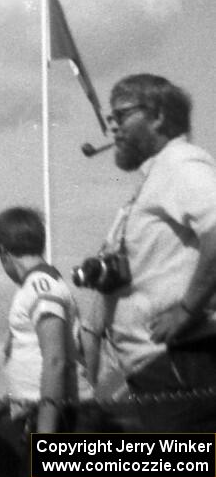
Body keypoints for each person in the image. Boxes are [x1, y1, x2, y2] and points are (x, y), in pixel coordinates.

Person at [80, 73, 216, 431]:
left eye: (121, 116)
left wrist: (187, 309)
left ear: (157, 116)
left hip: (178, 363)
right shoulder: (158, 177)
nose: (114, 129)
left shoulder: (180, 163)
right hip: (160, 368)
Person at [0, 207, 92, 435]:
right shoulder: (44, 283)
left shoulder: (39, 286)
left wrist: (45, 434)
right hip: (46, 413)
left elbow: (55, 360)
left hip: (58, 420)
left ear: (3, 250)